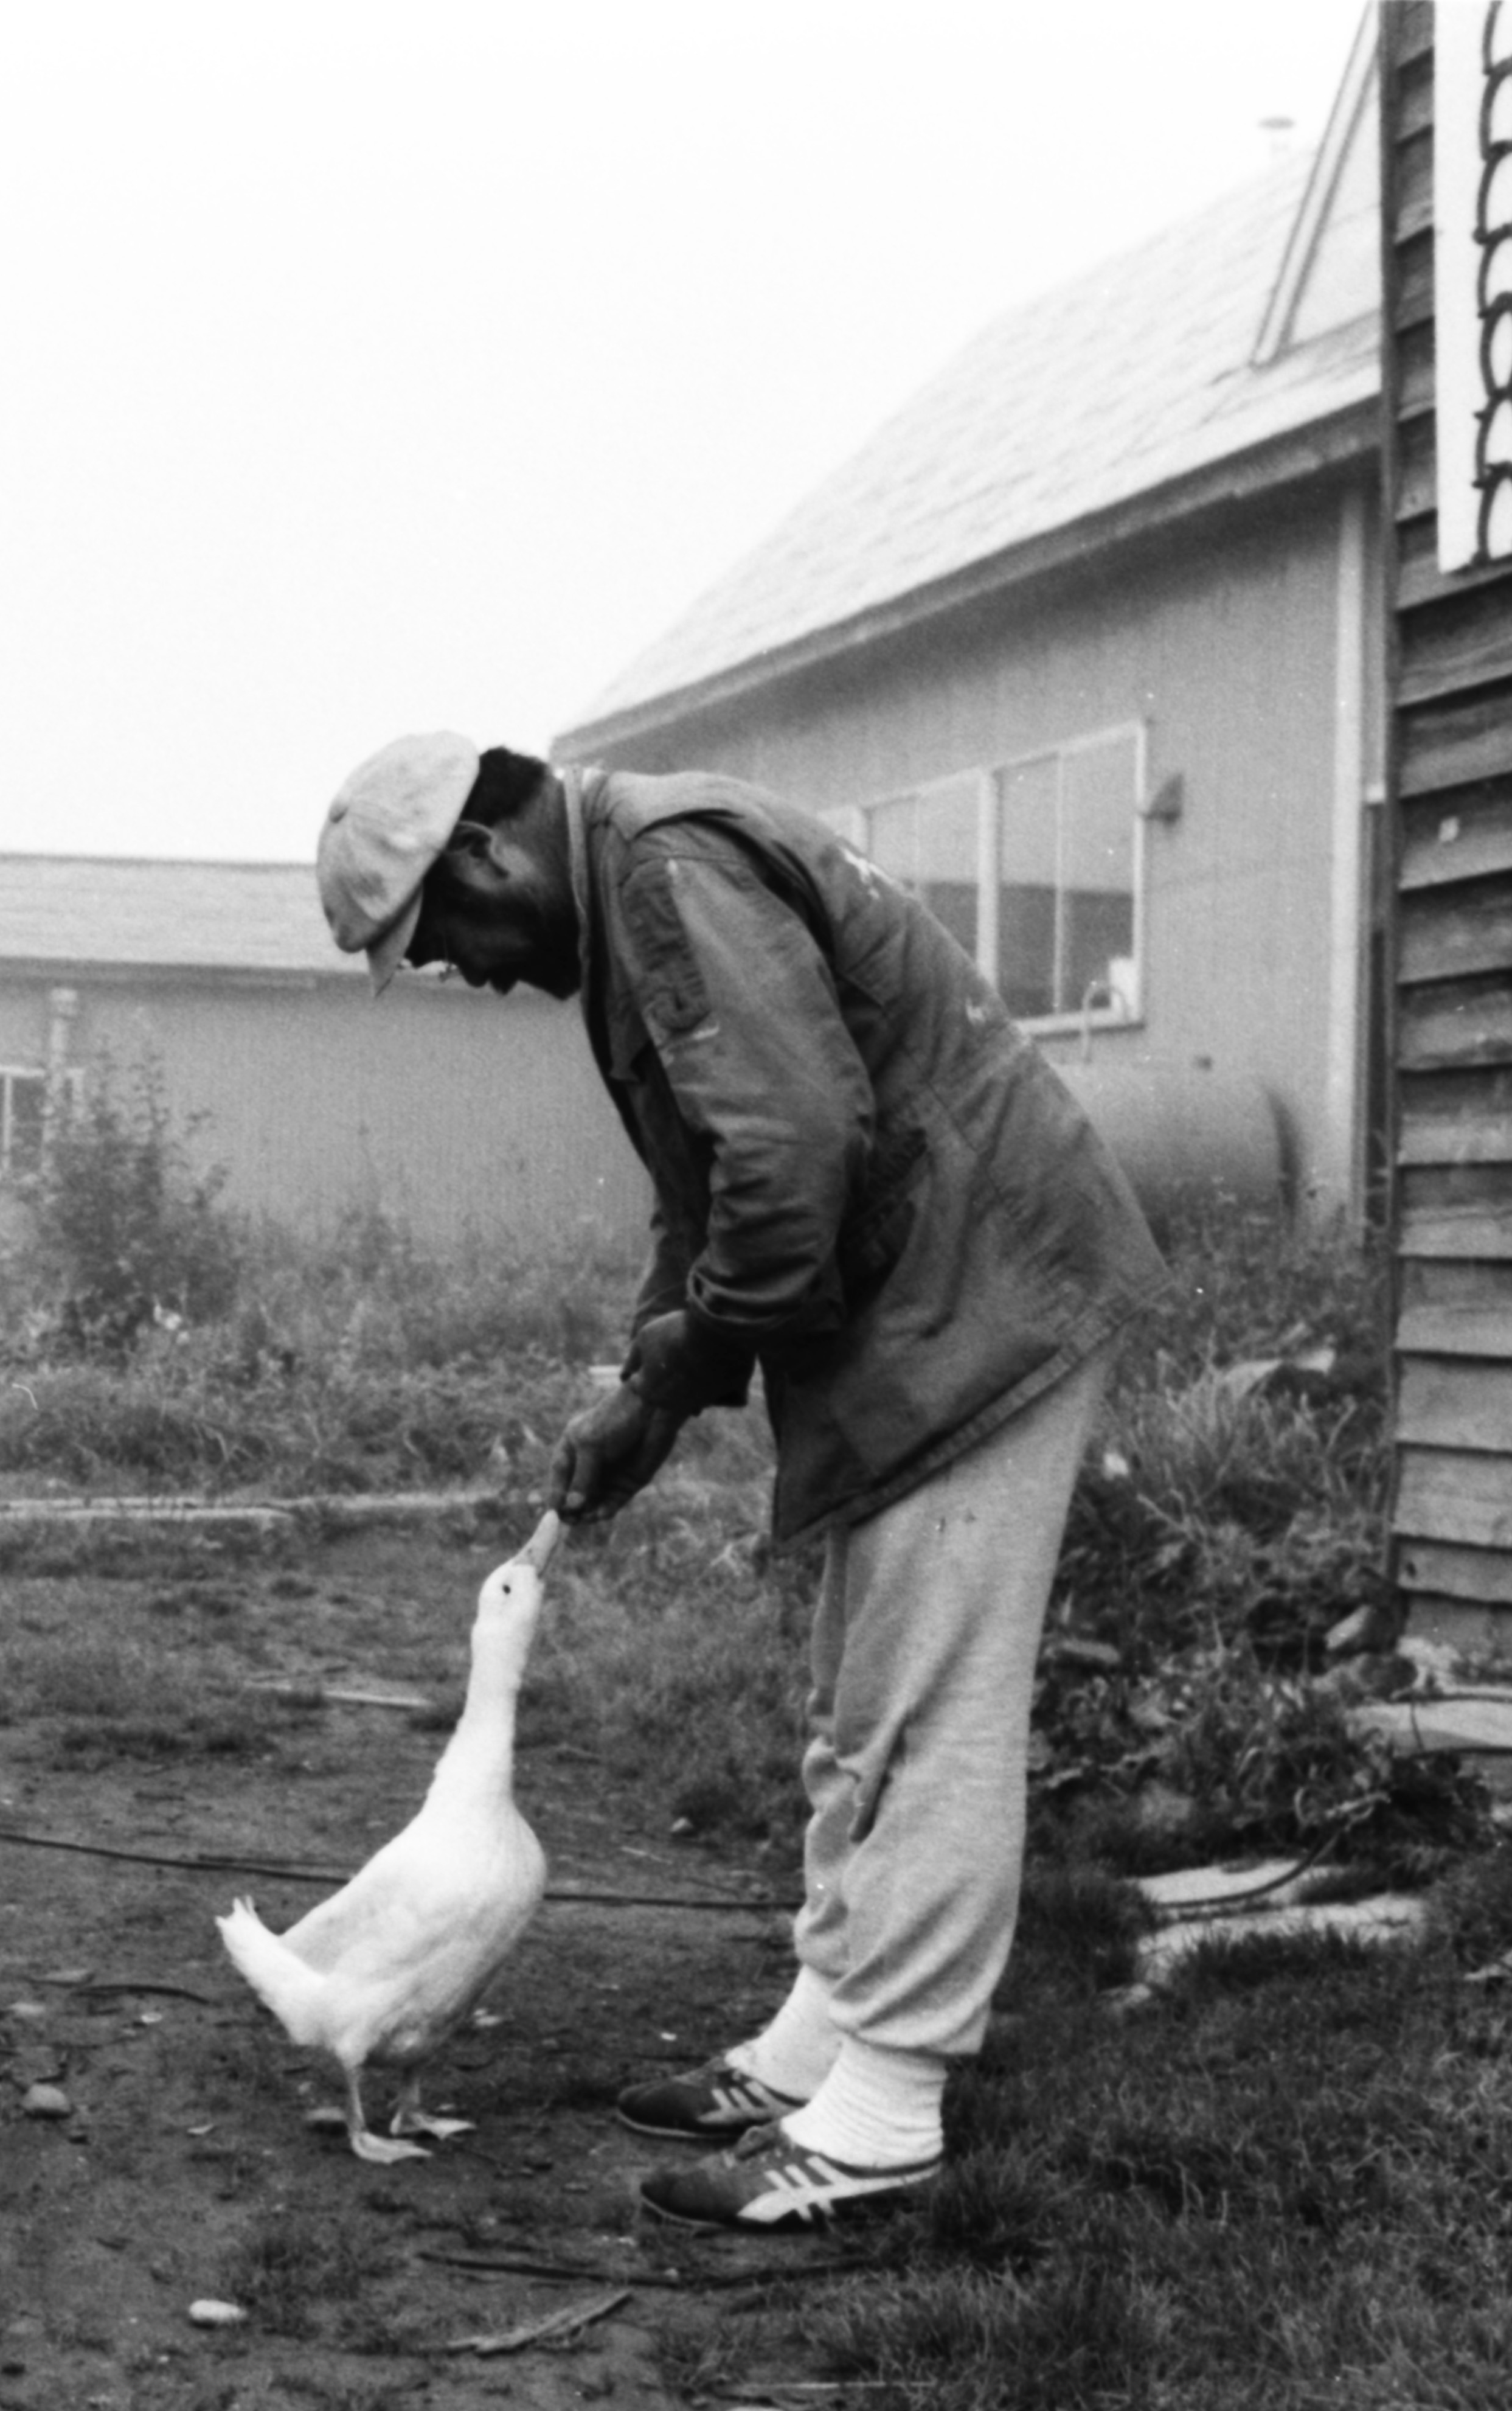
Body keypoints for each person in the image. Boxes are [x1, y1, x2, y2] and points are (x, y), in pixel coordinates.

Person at [311, 732, 1165, 2232]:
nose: (475, 973)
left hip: (981, 1303)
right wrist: (651, 1389)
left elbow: (793, 1163)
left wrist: (680, 1360)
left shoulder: (661, 870)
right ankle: (820, 2040)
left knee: (925, 1714)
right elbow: (708, 1183)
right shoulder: (632, 880)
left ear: (481, 858)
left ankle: (884, 2114)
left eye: (444, 941)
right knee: (861, 1705)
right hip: (920, 1313)